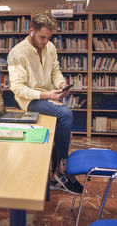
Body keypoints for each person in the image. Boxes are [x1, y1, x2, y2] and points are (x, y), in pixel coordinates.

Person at [7, 13, 83, 194]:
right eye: (42, 37)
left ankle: (54, 172)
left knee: (63, 126)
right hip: (30, 101)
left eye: (49, 37)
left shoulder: (50, 47)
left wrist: (61, 84)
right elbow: (17, 88)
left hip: (48, 96)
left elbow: (55, 71)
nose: (46, 41)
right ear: (31, 31)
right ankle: (61, 170)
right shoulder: (17, 53)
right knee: (65, 114)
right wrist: (46, 94)